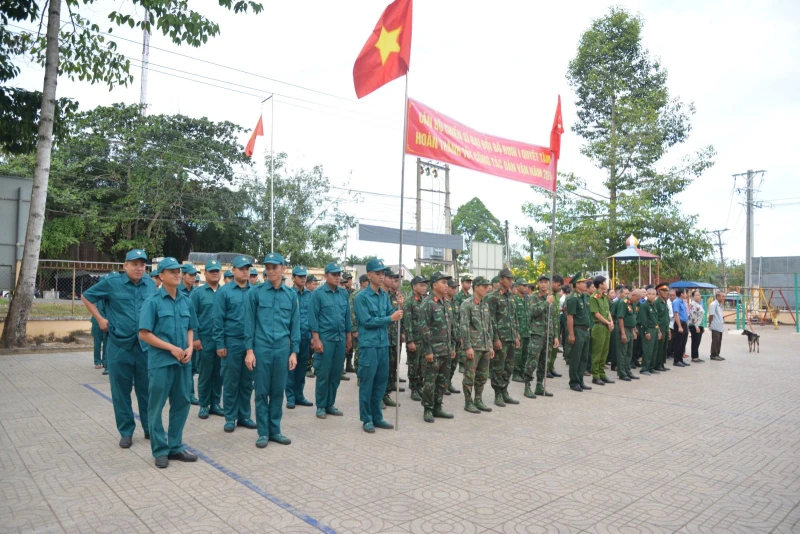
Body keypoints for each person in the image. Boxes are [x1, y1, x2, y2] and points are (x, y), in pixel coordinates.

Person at [81, 249, 157, 448]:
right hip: (119, 345)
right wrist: (100, 319)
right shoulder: (112, 283)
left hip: (144, 347)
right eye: (134, 264)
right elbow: (87, 296)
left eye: (142, 264)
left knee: (146, 390)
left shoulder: (150, 284)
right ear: (125, 266)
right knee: (120, 391)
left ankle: (150, 428)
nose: (139, 268)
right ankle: (126, 431)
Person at [137, 257, 199, 468]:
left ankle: (175, 446)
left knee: (182, 403)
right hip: (161, 363)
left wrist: (190, 347)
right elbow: (145, 334)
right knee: (156, 407)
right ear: (161, 276)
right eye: (171, 271)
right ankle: (160, 450)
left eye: (178, 271)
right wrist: (171, 348)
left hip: (183, 363)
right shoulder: (152, 302)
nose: (177, 274)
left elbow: (190, 327)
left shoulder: (186, 300)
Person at [244, 252, 299, 448]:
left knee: (277, 391)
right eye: (267, 267)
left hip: (283, 349)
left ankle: (275, 430)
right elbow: (249, 324)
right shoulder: (256, 293)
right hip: (262, 348)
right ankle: (263, 433)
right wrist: (249, 351)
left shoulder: (291, 296)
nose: (271, 271)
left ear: (283, 269)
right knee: (261, 391)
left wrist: (294, 352)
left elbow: (295, 326)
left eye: (275, 267)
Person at [353, 259, 403, 433]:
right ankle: (366, 419)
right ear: (369, 275)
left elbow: (390, 313)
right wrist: (391, 318)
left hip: (383, 344)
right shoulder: (361, 298)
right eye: (378, 273)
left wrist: (397, 307)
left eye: (383, 273)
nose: (382, 276)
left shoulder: (384, 295)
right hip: (369, 346)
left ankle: (377, 417)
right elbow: (366, 321)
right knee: (367, 383)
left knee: (381, 383)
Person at [214, 256, 257, 433]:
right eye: (241, 268)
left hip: (250, 345)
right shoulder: (224, 292)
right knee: (231, 382)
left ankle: (244, 415)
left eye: (247, 268)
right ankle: (230, 417)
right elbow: (218, 319)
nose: (245, 271)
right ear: (233, 271)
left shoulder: (255, 291)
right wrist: (220, 343)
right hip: (231, 343)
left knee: (247, 382)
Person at [309, 262, 352, 419]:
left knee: (335, 374)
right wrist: (316, 340)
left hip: (340, 339)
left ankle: (330, 404)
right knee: (323, 374)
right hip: (325, 339)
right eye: (334, 274)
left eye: (339, 274)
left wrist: (348, 338)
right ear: (326, 276)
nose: (337, 277)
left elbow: (347, 316)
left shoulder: (343, 293)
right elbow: (313, 318)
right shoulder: (318, 294)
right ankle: (320, 406)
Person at [418, 271, 457, 423]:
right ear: (434, 285)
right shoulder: (427, 303)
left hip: (446, 351)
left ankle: (438, 406)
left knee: (442, 381)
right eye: (443, 282)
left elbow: (451, 327)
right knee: (430, 382)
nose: (446, 285)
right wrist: (428, 350)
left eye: (447, 283)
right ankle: (428, 409)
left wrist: (452, 346)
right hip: (433, 351)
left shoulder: (447, 304)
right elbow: (424, 328)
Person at [190, 259, 225, 419]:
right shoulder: (197, 293)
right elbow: (192, 316)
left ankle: (215, 403)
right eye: (211, 271)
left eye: (217, 271)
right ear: (205, 274)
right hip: (204, 340)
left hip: (221, 341)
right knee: (205, 374)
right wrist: (195, 338)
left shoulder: (224, 292)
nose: (215, 274)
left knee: (218, 373)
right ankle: (204, 405)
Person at [485, 268, 520, 406]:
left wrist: (516, 335)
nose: (511, 281)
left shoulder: (511, 296)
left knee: (509, 367)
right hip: (500, 338)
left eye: (512, 279)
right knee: (498, 367)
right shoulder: (492, 297)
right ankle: (498, 393)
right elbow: (490, 320)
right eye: (508, 279)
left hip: (511, 337)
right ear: (501, 280)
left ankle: (505, 390)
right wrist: (495, 339)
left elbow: (514, 317)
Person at [459, 276, 494, 413]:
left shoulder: (485, 305)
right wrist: (468, 346)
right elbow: (464, 326)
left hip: (484, 346)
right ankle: (468, 402)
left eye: (488, 286)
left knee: (482, 376)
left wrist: (490, 345)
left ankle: (478, 400)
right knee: (469, 376)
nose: (487, 289)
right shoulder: (467, 304)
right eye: (484, 286)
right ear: (477, 287)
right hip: (473, 347)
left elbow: (489, 326)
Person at [285, 265, 314, 410]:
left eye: (304, 276)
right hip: (292, 338)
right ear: (293, 278)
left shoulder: (310, 295)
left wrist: (313, 336)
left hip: (306, 336)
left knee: (302, 367)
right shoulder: (289, 294)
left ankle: (299, 395)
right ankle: (290, 397)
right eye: (300, 276)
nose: (303, 279)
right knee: (291, 368)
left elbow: (312, 316)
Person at [526, 275, 557, 398]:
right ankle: (527, 385)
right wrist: (546, 303)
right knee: (532, 360)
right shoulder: (534, 297)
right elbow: (533, 312)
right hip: (537, 333)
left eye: (546, 282)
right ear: (538, 284)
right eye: (541, 282)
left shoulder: (551, 298)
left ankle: (539, 385)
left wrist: (555, 335)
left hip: (548, 335)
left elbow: (553, 318)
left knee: (545, 362)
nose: (543, 284)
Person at [566, 273, 592, 392]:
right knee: (576, 357)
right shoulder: (573, 298)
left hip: (586, 330)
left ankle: (580, 380)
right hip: (577, 330)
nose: (585, 284)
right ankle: (574, 382)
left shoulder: (585, 297)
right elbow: (570, 317)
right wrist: (571, 334)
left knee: (584, 357)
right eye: (583, 282)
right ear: (577, 284)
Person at [404, 275, 428, 402]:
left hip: (424, 340)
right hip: (415, 339)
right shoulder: (409, 302)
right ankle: (414, 389)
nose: (424, 288)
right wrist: (410, 341)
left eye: (425, 285)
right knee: (414, 365)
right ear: (414, 287)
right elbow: (407, 323)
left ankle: (419, 387)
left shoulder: (425, 300)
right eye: (421, 285)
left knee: (422, 366)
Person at [588, 275, 615, 386]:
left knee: (605, 351)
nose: (606, 284)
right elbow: (596, 314)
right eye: (605, 282)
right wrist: (607, 322)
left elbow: (607, 311)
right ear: (600, 284)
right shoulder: (593, 297)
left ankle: (602, 374)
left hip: (606, 326)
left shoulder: (604, 297)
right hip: (599, 326)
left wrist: (611, 321)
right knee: (597, 352)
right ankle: (595, 376)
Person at [382, 269, 403, 406]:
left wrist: (401, 304)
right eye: (390, 277)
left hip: (394, 336)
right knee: (382, 369)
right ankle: (379, 396)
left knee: (391, 368)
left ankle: (386, 394)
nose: (393, 280)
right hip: (383, 336)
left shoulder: (395, 295)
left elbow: (400, 315)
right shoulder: (380, 295)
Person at [614, 286, 640, 381]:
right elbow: (620, 318)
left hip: (630, 329)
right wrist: (623, 333)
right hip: (623, 329)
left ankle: (628, 371)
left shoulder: (632, 303)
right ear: (633, 295)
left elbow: (632, 317)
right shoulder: (623, 303)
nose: (638, 300)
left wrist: (634, 330)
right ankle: (622, 373)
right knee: (622, 352)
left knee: (629, 352)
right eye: (637, 298)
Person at [637, 286, 661, 375]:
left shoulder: (654, 305)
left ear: (656, 295)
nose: (651, 296)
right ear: (646, 295)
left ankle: (651, 367)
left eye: (653, 294)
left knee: (654, 350)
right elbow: (643, 320)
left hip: (655, 329)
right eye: (649, 294)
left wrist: (658, 331)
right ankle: (644, 368)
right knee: (647, 350)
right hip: (648, 330)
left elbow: (655, 319)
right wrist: (646, 331)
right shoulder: (644, 305)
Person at [512, 278, 531, 383]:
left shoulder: (528, 300)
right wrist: (516, 333)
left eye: (526, 286)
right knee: (518, 354)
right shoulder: (514, 300)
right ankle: (515, 373)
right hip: (519, 332)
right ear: (517, 286)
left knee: (526, 354)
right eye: (523, 285)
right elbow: (512, 317)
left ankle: (522, 372)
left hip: (527, 331)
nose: (525, 287)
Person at [445, 278, 462, 395]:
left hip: (456, 337)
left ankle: (448, 382)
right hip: (446, 338)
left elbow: (459, 320)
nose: (454, 290)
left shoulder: (456, 302)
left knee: (453, 363)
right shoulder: (442, 302)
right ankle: (443, 384)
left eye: (456, 288)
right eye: (452, 287)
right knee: (446, 363)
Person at [547, 274, 564, 378]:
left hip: (555, 323)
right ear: (552, 283)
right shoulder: (547, 295)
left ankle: (551, 367)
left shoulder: (557, 295)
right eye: (557, 285)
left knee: (554, 348)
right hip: (548, 324)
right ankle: (546, 368)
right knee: (548, 348)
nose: (559, 287)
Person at [653, 283, 672, 373]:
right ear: (659, 292)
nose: (666, 293)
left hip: (665, 328)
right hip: (659, 329)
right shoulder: (657, 302)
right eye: (664, 291)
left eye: (667, 291)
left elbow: (666, 318)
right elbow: (656, 318)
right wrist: (659, 331)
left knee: (664, 347)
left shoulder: (665, 302)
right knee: (659, 347)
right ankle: (657, 364)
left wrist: (668, 330)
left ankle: (661, 363)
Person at [90, 282, 108, 373]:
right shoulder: (96, 295)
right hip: (97, 323)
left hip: (107, 323)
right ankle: (97, 361)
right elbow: (98, 310)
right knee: (97, 343)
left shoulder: (109, 296)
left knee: (106, 343)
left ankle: (105, 361)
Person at [341, 272, 357, 374]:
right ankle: (341, 367)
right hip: (343, 321)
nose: (349, 281)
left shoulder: (354, 292)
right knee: (343, 346)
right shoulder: (342, 292)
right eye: (347, 279)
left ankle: (349, 364)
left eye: (351, 279)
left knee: (351, 345)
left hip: (351, 322)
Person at [671, 289, 690, 367]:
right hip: (680, 324)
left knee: (683, 343)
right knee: (678, 343)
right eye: (685, 293)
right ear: (682, 294)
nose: (686, 294)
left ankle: (680, 359)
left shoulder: (683, 302)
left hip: (684, 324)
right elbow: (676, 314)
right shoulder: (676, 302)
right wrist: (679, 326)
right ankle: (676, 360)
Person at [688, 290, 706, 363]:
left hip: (699, 325)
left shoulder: (699, 304)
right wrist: (696, 326)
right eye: (696, 295)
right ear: (692, 297)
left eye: (699, 295)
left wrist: (702, 327)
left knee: (698, 341)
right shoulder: (693, 304)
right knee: (695, 341)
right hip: (694, 325)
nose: (698, 296)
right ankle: (694, 357)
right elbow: (693, 316)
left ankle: (696, 356)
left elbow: (700, 316)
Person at [708, 291, 726, 361]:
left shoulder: (719, 304)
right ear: (718, 296)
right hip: (715, 326)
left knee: (719, 341)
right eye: (722, 296)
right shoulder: (713, 304)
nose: (724, 298)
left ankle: (717, 354)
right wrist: (710, 323)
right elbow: (711, 315)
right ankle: (713, 355)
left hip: (720, 326)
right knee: (715, 341)